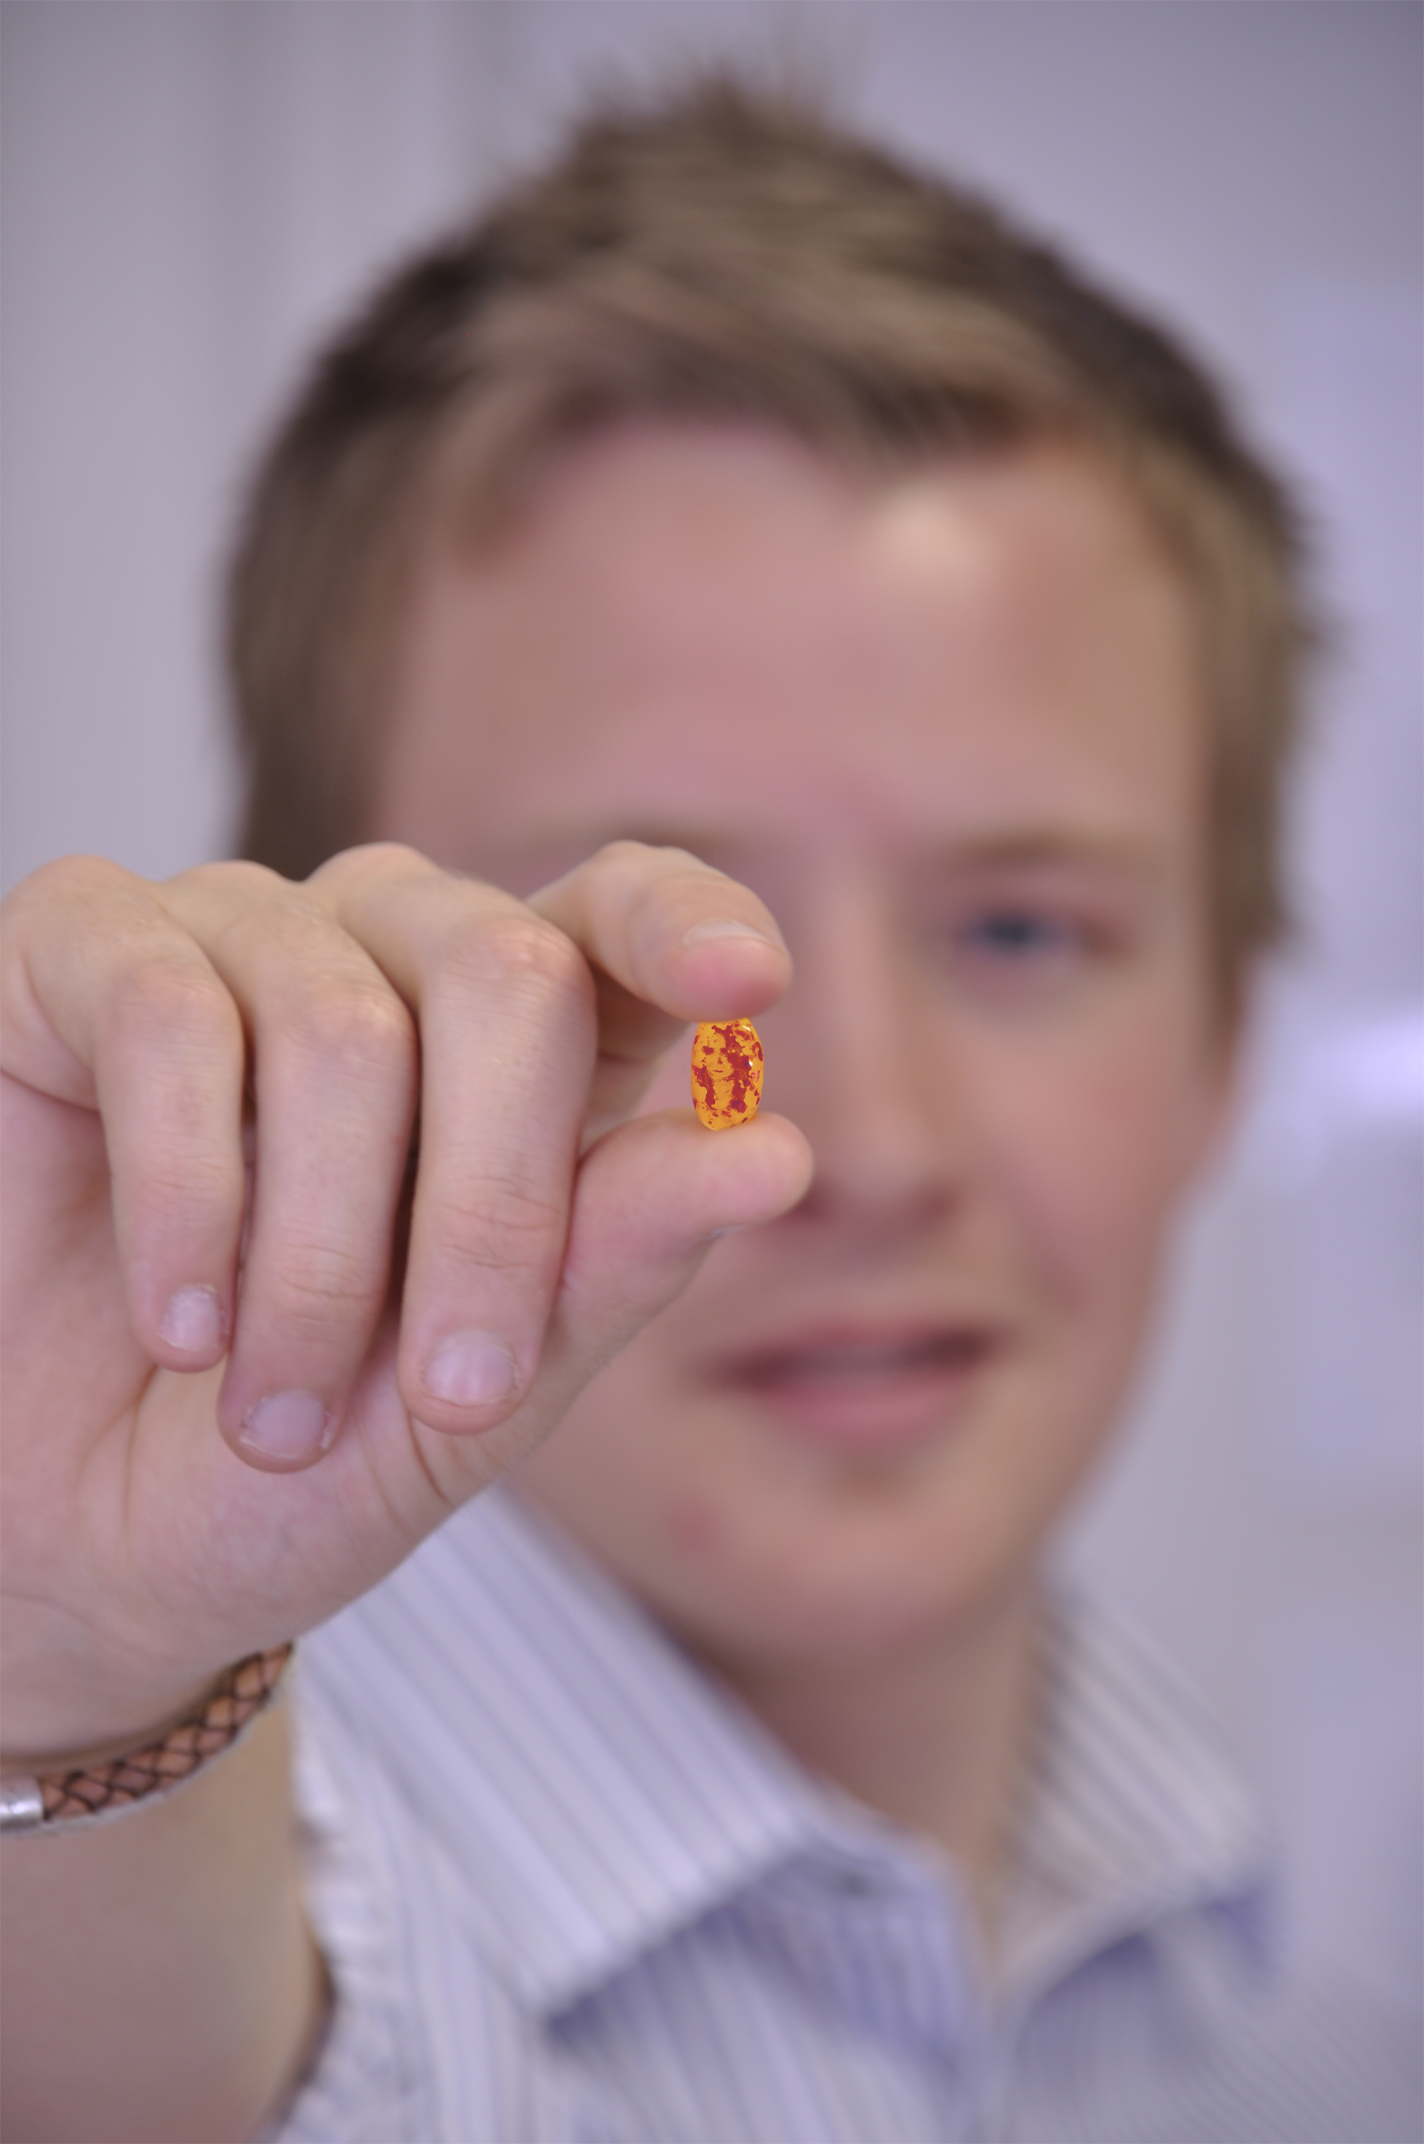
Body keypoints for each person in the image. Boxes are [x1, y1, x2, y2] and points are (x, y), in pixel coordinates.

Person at [1, 79, 1416, 2144]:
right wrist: (62, 1688)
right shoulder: (177, 1949)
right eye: (633, 963)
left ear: (1221, 1035)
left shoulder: (1315, 2061)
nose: (858, 1152)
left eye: (1023, 932)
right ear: (330, 1017)